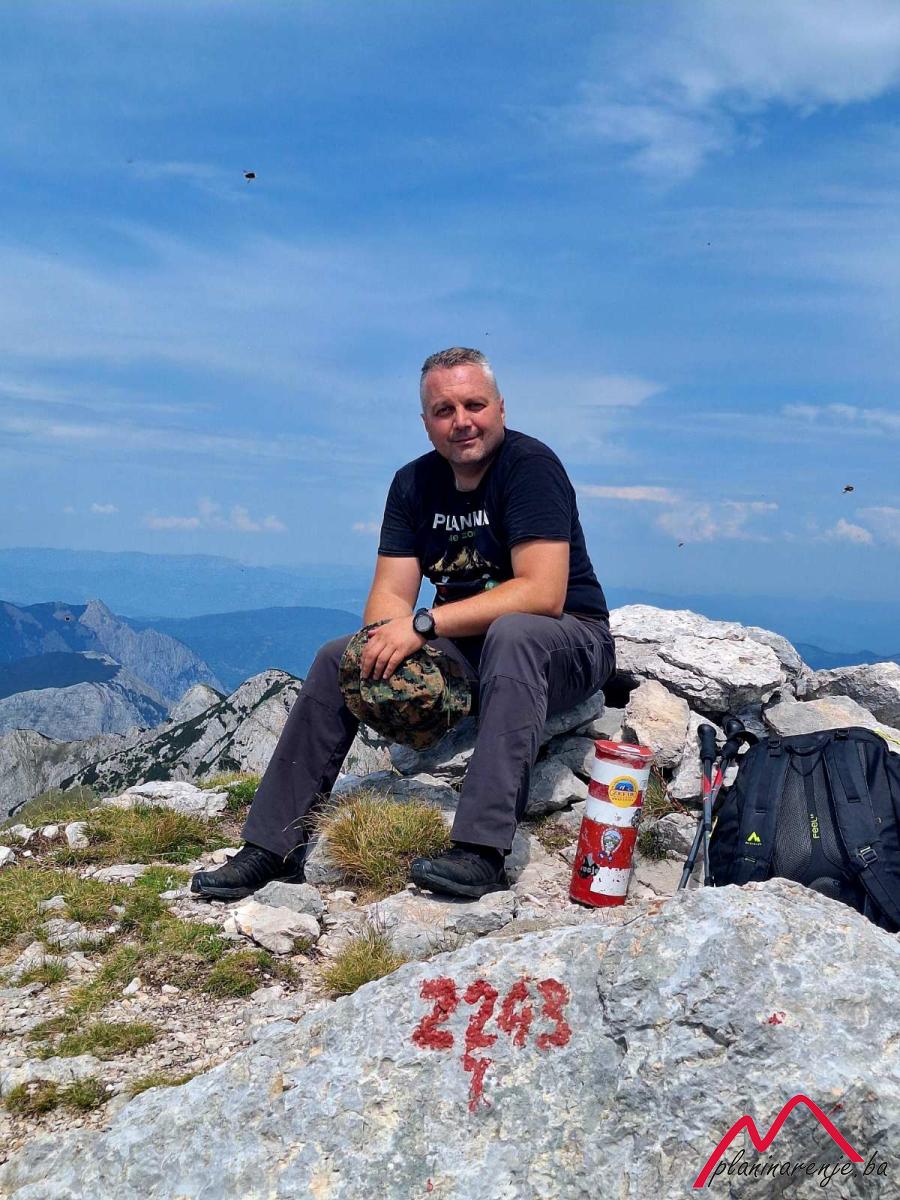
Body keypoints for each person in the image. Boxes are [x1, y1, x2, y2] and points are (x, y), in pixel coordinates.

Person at [191, 347, 615, 902]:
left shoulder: (531, 467)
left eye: (474, 405)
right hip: (468, 645)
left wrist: (422, 625)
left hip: (567, 640)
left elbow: (542, 592)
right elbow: (390, 595)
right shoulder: (413, 484)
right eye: (444, 410)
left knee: (513, 634)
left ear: (501, 409)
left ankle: (481, 852)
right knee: (337, 656)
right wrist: (388, 651)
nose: (461, 421)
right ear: (425, 422)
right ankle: (272, 847)